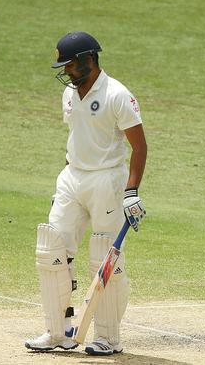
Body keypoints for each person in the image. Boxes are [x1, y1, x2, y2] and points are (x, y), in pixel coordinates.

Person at [24, 32, 147, 356]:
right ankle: (59, 333)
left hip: (108, 180)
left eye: (71, 64)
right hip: (72, 177)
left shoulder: (117, 94)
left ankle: (108, 338)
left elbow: (140, 146)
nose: (67, 71)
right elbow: (78, 137)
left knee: (103, 256)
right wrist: (67, 179)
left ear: (90, 60)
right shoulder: (68, 93)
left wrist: (131, 192)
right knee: (52, 249)